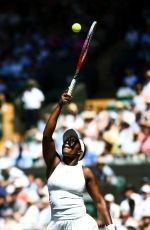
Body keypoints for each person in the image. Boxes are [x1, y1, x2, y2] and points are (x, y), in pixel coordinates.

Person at [42, 90, 115, 230]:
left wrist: (110, 227)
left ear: (80, 151)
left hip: (80, 224)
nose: (67, 143)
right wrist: (59, 106)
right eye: (66, 141)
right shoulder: (54, 164)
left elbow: (99, 201)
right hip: (56, 224)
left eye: (72, 142)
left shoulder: (86, 172)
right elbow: (46, 136)